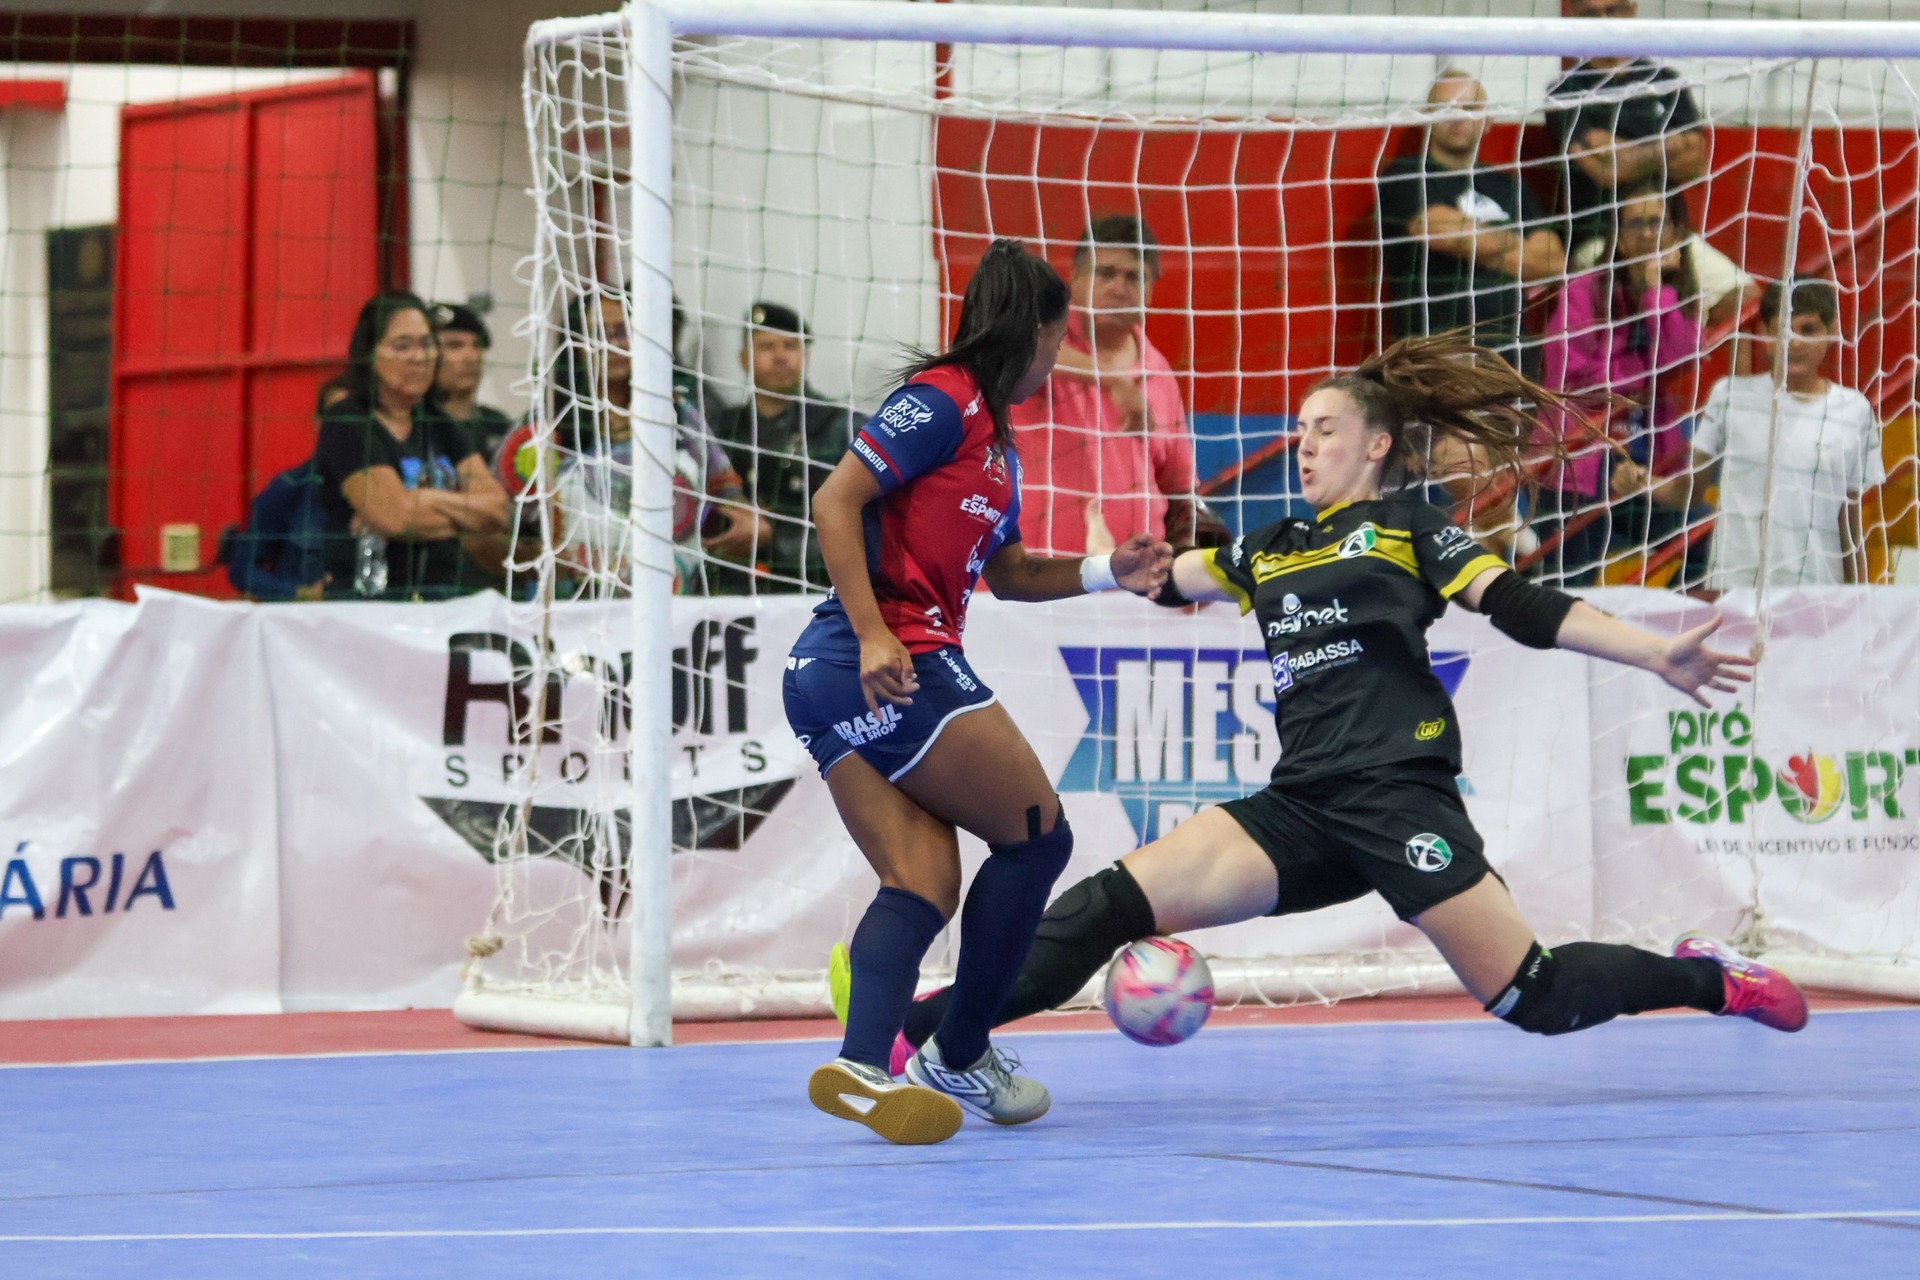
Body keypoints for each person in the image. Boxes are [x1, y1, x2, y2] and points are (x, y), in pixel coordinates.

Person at [896, 333, 1806, 1079]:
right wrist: (1107, 568)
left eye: (1323, 429)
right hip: (1300, 806)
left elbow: (1519, 607)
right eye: (1296, 429)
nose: (1302, 444)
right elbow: (1165, 578)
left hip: (1399, 794)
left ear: (1375, 445)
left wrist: (1656, 654)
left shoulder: (1413, 527)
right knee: (1103, 905)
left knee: (1537, 996)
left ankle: (1710, 980)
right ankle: (919, 1030)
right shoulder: (1266, 548)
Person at [789, 239, 1172, 1145]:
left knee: (920, 883)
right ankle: (959, 1051)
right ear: (1037, 331)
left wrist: (1106, 571)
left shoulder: (995, 442)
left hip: (828, 675)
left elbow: (1008, 573)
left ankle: (856, 1066)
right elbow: (833, 502)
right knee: (1039, 835)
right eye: (1062, 333)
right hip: (881, 654)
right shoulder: (942, 402)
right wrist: (880, 631)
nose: (1062, 352)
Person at [1546, 0, 1756, 331]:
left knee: (1744, 296)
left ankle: (1700, 372)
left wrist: (1623, 150)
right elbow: (1605, 170)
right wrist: (1668, 145)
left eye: (1612, 10)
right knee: (1615, 310)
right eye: (1591, 13)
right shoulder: (1566, 90)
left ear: (1631, 11)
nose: (1603, 20)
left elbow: (1696, 163)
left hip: (1668, 234)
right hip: (1601, 237)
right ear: (1575, 17)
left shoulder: (1665, 80)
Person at [546, 290, 764, 595]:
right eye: (599, 334)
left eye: (624, 331)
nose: (614, 343)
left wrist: (748, 522)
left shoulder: (679, 414)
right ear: (575, 346)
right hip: (579, 611)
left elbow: (726, 490)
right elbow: (506, 525)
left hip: (679, 608)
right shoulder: (550, 424)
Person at [1011, 215, 1206, 555]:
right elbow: (1010, 346)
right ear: (1074, 277)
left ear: (1152, 288)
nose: (1119, 287)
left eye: (1134, 277)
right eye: (1105, 273)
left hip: (1135, 586)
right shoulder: (1037, 340)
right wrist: (1113, 381)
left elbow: (1180, 490)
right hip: (1034, 582)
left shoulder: (1159, 373)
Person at [1537, 185, 1703, 584]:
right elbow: (1567, 377)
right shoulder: (1583, 291)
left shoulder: (1675, 295)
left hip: (1643, 461)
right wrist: (1634, 383)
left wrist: (1653, 292)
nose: (1647, 234)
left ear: (1677, 232)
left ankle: (1670, 627)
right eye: (1635, 223)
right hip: (1580, 458)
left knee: (1700, 531)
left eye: (1657, 222)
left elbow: (1678, 360)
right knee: (1573, 588)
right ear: (1618, 235)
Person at [313, 293, 509, 600]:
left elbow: (496, 509)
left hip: (444, 602)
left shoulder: (439, 423)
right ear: (371, 353)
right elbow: (394, 517)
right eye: (402, 346)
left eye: (426, 344)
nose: (418, 357)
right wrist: (464, 515)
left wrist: (421, 499)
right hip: (369, 607)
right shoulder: (348, 421)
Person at [1693, 279, 1884, 589]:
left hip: (1817, 595)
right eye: (1783, 330)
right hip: (1734, 589)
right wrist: (1642, 483)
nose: (1793, 342)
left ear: (1832, 330)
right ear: (1766, 334)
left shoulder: (1855, 410)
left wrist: (1860, 597)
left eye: (1807, 330)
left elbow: (1850, 521)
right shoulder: (1728, 396)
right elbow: (1689, 490)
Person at [1377, 70, 1565, 371]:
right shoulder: (1405, 174)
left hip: (1509, 354)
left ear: (1487, 119)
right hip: (1433, 354)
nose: (1458, 117)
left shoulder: (1510, 186)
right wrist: (1514, 246)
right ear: (1428, 117)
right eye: (1446, 108)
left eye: (1470, 108)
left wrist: (1475, 241)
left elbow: (1551, 262)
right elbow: (1437, 230)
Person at [711, 302, 854, 591]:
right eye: (766, 347)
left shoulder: (840, 427)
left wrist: (771, 538)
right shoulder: (722, 429)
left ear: (806, 356)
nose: (779, 357)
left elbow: (856, 525)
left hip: (814, 588)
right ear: (743, 358)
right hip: (728, 589)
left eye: (790, 346)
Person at [223, 380, 344, 601]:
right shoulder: (289, 488)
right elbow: (242, 571)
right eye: (338, 416)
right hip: (304, 626)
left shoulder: (396, 492)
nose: (348, 428)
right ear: (318, 423)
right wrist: (302, 594)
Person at [432, 303, 517, 465]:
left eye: (477, 345)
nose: (472, 357)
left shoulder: (499, 426)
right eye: (455, 345)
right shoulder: (417, 427)